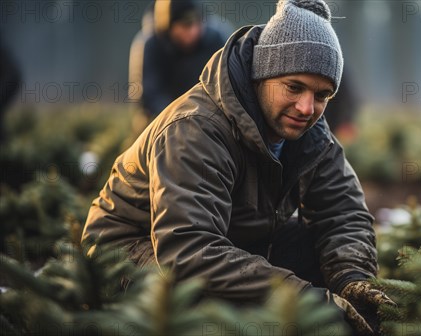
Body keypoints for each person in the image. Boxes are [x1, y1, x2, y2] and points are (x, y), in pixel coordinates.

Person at [83, 0, 392, 334]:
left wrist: (351, 280)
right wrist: (304, 298)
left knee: (315, 253)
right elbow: (187, 248)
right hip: (132, 247)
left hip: (229, 236)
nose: (307, 107)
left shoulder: (310, 131)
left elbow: (343, 212)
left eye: (322, 95)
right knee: (207, 307)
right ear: (264, 73)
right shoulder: (196, 129)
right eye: (294, 87)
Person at [136, 0, 228, 120]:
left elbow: (227, 88)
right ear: (168, 25)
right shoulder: (151, 45)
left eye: (197, 23)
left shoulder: (216, 40)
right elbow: (149, 97)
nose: (193, 30)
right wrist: (181, 117)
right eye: (186, 25)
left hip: (209, 119)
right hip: (162, 121)